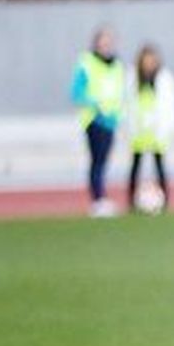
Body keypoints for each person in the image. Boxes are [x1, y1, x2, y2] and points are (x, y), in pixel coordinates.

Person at [71, 26, 125, 218]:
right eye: (102, 42)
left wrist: (120, 116)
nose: (106, 46)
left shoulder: (117, 65)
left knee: (104, 161)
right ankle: (98, 199)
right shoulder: (86, 63)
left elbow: (120, 92)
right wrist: (96, 104)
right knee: (97, 161)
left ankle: (101, 197)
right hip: (94, 119)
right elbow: (76, 93)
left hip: (111, 120)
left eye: (108, 42)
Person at [124, 44, 174, 215]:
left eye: (151, 60)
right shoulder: (133, 78)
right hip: (139, 131)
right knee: (136, 165)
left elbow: (172, 104)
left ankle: (164, 200)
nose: (148, 63)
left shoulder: (164, 79)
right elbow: (127, 103)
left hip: (157, 132)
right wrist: (128, 127)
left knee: (159, 165)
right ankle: (131, 201)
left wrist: (168, 127)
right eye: (146, 60)